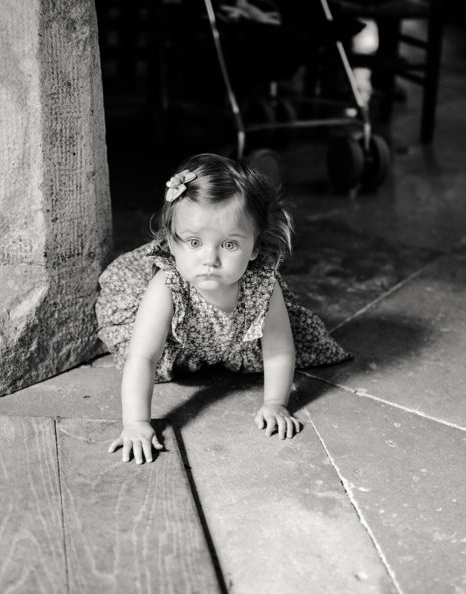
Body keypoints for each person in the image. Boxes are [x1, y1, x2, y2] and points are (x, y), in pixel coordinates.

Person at [96, 153, 351, 464]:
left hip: (239, 342)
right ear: (171, 243)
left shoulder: (261, 285)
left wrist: (275, 402)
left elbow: (279, 350)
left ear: (255, 247)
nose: (210, 259)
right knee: (145, 350)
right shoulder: (167, 285)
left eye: (229, 245)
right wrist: (136, 424)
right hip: (177, 347)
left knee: (293, 341)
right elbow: (144, 357)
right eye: (193, 242)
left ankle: (230, 354)